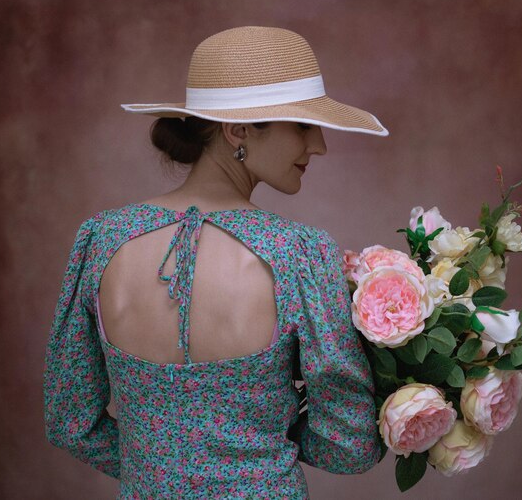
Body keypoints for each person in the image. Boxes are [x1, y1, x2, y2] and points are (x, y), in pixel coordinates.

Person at [43, 26, 389, 499]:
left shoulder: (101, 241)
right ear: (237, 130)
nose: (320, 146)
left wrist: (163, 469)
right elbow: (348, 444)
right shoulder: (299, 254)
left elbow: (69, 421)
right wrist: (259, 452)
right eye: (303, 125)